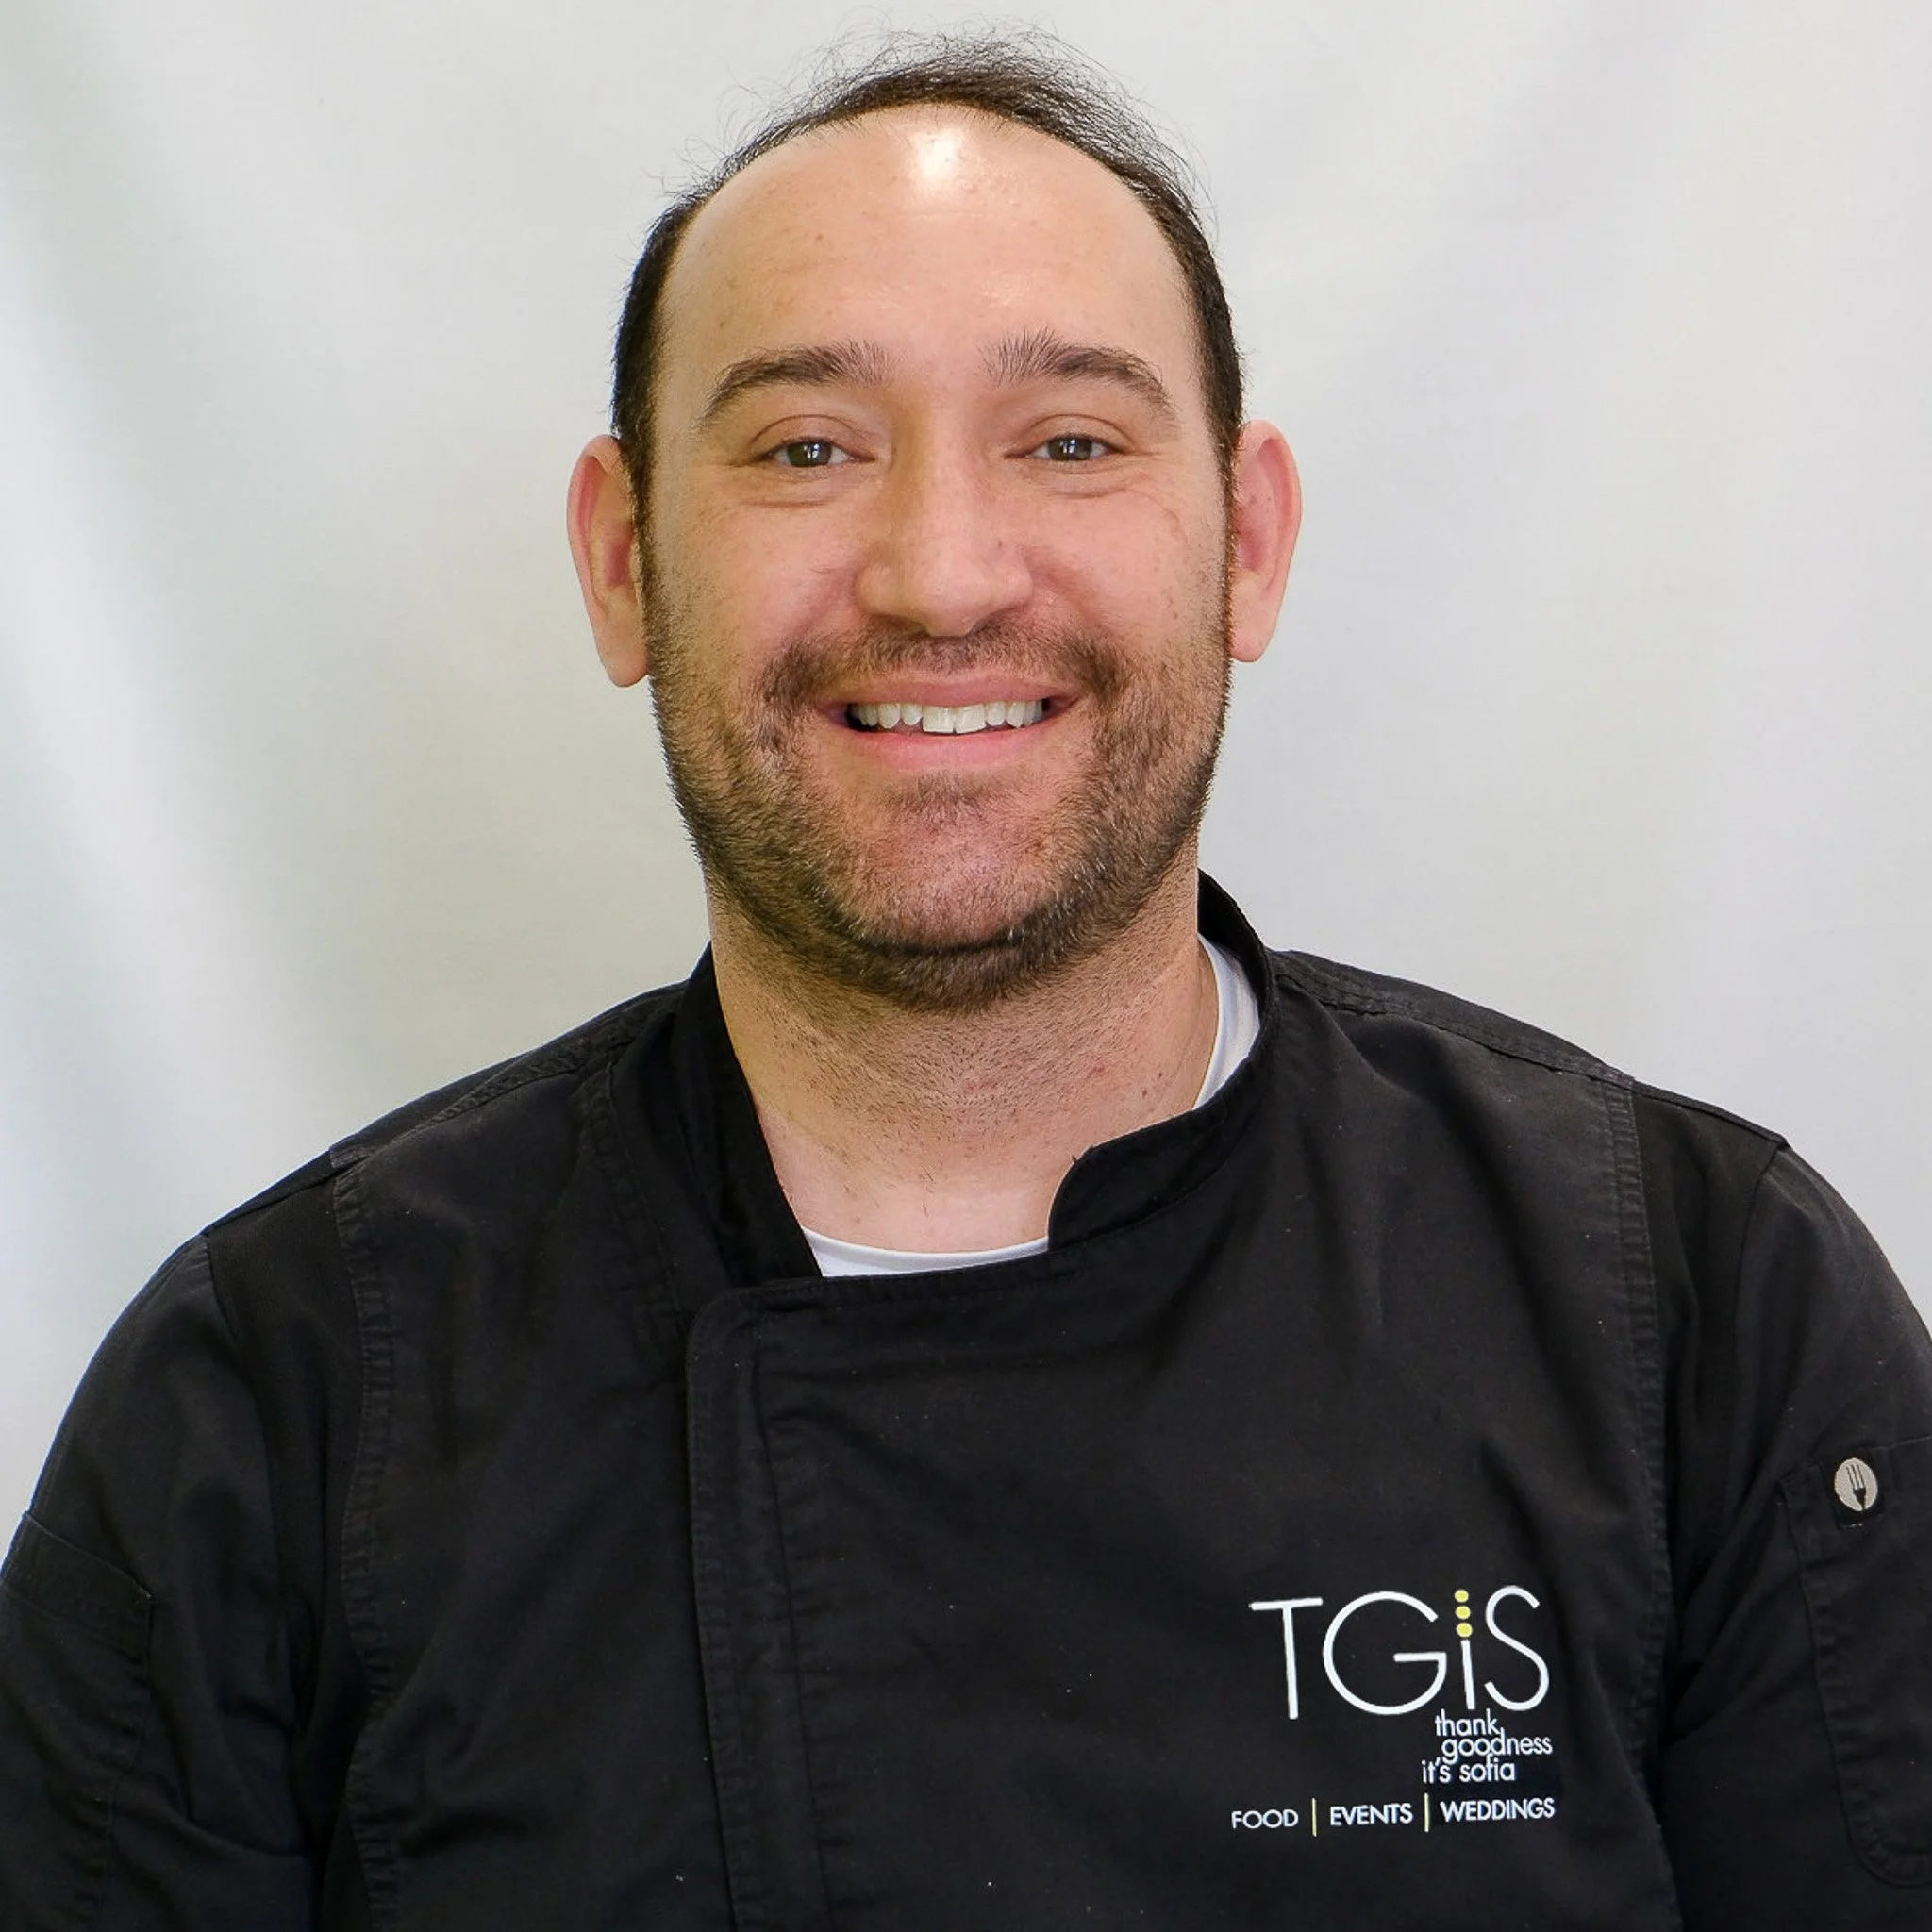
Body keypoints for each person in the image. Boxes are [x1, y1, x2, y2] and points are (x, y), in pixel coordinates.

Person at [2, 30, 1927, 1930]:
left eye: (1070, 441)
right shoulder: (271, 1407)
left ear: (1245, 545)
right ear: (621, 562)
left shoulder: (1698, 1314)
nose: (938, 574)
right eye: (807, 447)